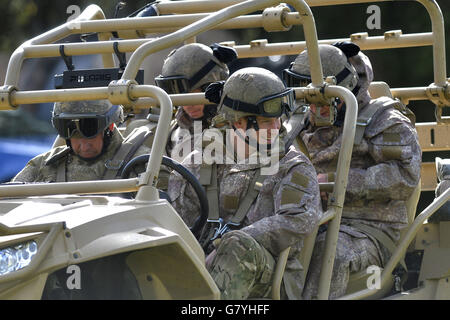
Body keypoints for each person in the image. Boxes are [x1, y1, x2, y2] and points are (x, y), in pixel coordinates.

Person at [167, 67, 322, 299]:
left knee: (238, 247)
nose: (277, 127)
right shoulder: (198, 162)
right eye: (267, 121)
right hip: (202, 264)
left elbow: (299, 219)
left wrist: (225, 244)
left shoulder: (292, 166)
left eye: (278, 120)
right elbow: (181, 224)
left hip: (270, 276)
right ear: (238, 122)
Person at [282, 43, 422, 299]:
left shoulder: (385, 121)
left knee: (328, 253)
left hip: (368, 229)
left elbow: (405, 178)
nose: (315, 109)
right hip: (307, 221)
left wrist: (335, 182)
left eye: (324, 100)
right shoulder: (297, 122)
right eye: (309, 99)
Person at [12, 100, 152, 183]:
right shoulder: (45, 166)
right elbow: (9, 203)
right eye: (74, 135)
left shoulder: (143, 164)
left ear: (109, 127)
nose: (84, 145)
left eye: (90, 132)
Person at [154, 42, 237, 160]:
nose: (187, 105)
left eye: (192, 96)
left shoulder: (240, 127)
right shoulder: (172, 130)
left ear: (212, 86)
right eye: (181, 97)